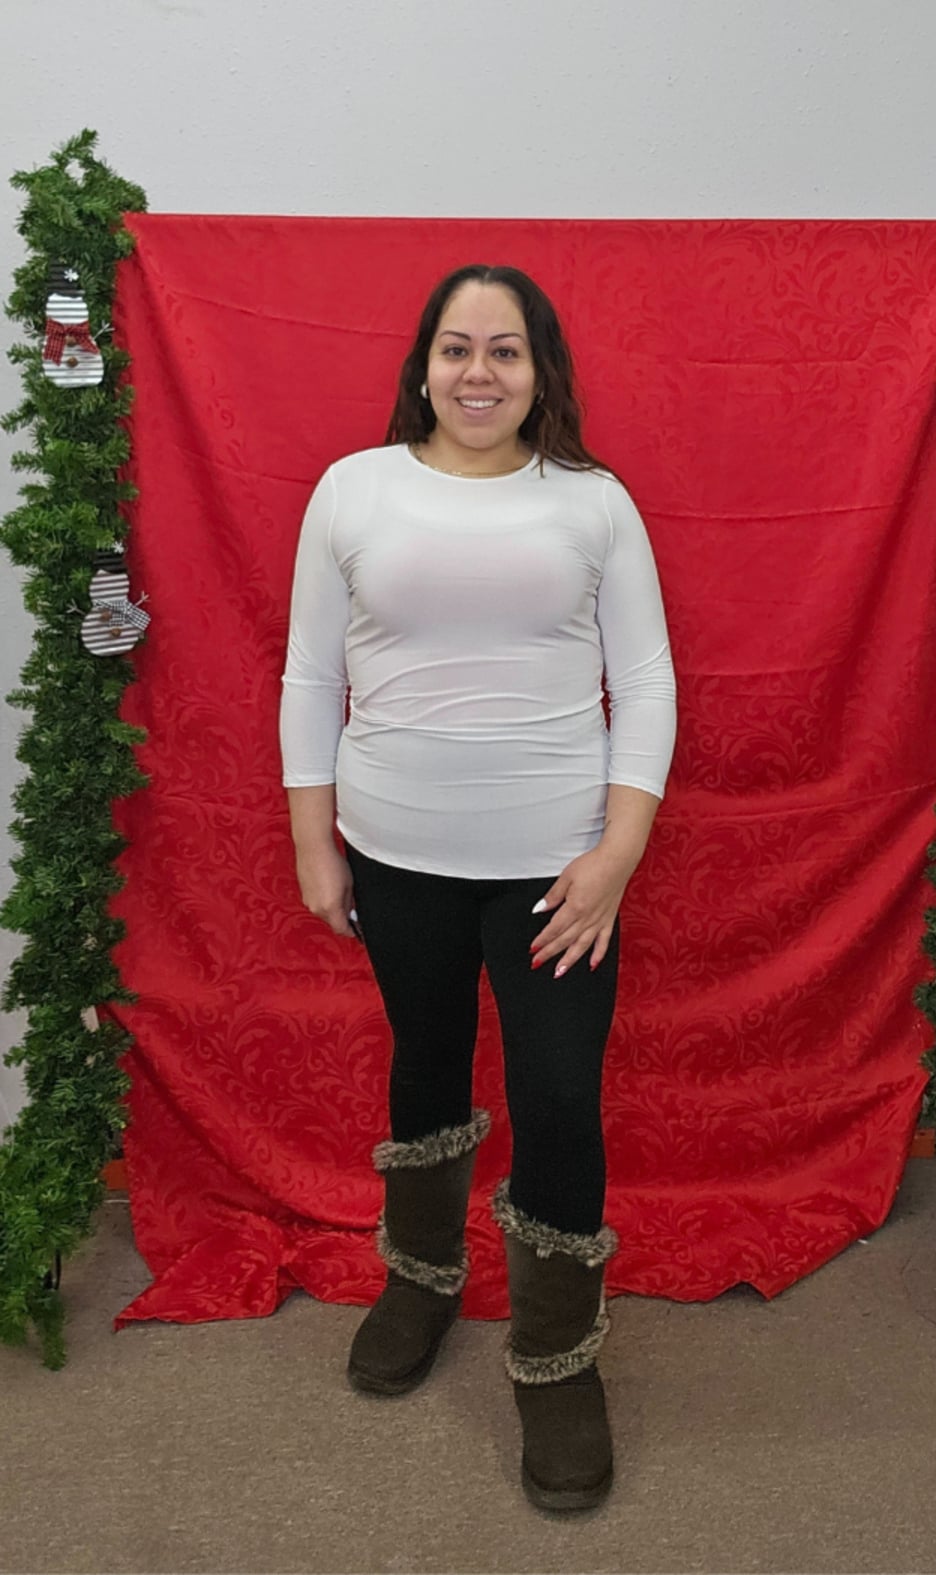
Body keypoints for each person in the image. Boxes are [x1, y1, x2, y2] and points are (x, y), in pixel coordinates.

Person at [279, 264, 676, 1513]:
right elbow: (308, 676)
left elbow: (647, 684)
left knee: (557, 1096)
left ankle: (556, 1358)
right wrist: (314, 842)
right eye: (457, 348)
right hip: (395, 851)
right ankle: (423, 1278)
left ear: (541, 373)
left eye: (506, 350)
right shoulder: (354, 489)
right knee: (427, 1063)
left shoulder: (593, 503)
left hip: (559, 871)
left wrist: (616, 858)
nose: (479, 373)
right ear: (423, 367)